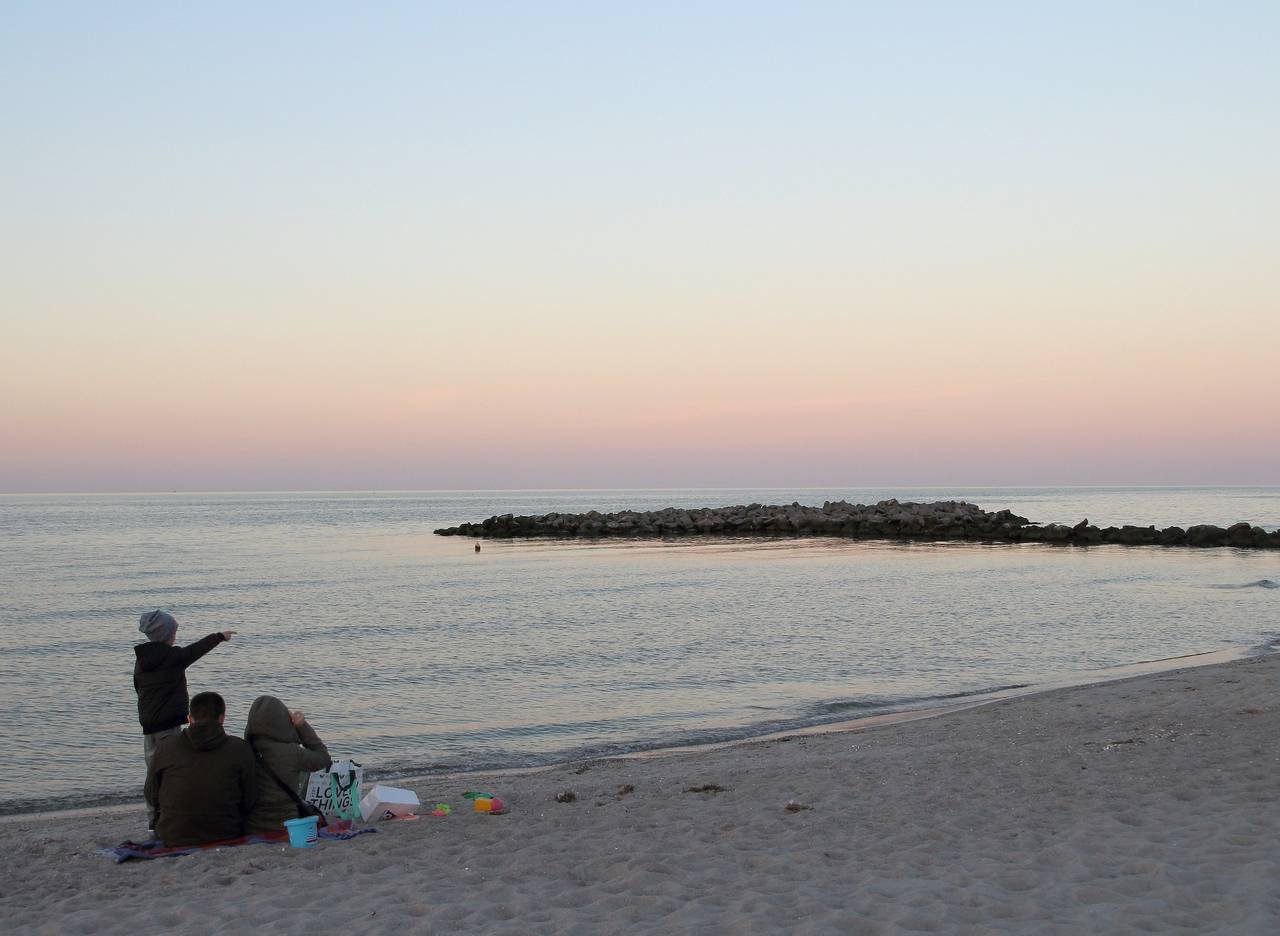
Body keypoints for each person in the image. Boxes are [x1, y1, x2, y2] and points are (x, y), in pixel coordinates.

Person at [133, 609, 236, 830]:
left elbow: (138, 688)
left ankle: (154, 818)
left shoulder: (141, 661)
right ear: (166, 634)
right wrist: (219, 636)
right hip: (169, 726)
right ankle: (171, 816)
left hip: (148, 726)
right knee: (173, 771)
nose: (176, 634)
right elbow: (196, 651)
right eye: (174, 631)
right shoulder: (173, 658)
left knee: (153, 773)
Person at [144, 691, 257, 846]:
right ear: (222, 719)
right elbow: (249, 799)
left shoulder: (166, 747)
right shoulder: (240, 749)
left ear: (190, 719)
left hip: (173, 835)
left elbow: (151, 794)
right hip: (226, 833)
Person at [243, 695, 333, 835]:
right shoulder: (292, 752)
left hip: (252, 826)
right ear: (283, 721)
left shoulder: (242, 751)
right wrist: (301, 727)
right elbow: (324, 758)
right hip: (286, 826)